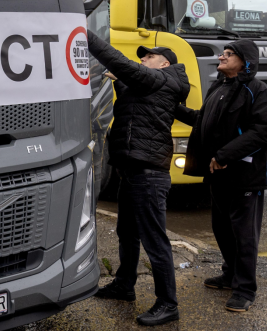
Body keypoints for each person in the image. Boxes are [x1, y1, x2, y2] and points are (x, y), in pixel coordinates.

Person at [86, 30, 190, 327]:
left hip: (149, 176)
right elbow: (137, 105)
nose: (143, 59)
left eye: (150, 56)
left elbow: (121, 62)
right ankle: (124, 285)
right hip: (131, 173)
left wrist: (84, 32)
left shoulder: (161, 79)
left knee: (155, 241)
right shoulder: (150, 86)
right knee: (127, 234)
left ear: (164, 64)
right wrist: (120, 79)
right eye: (142, 57)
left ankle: (168, 304)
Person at [175, 39, 267, 313]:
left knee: (244, 234)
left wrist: (224, 155)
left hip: (246, 175)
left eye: (229, 54)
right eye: (223, 52)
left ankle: (245, 289)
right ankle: (230, 274)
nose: (222, 56)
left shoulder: (258, 91)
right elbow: (203, 119)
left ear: (245, 62)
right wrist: (173, 108)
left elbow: (263, 131)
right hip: (218, 175)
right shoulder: (219, 87)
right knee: (222, 228)